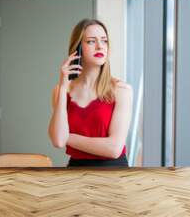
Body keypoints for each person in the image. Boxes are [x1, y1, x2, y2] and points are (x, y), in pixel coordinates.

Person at [48, 18, 133, 167]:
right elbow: (57, 141)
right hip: (75, 171)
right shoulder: (60, 91)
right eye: (91, 41)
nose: (100, 46)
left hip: (113, 172)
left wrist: (68, 136)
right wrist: (62, 86)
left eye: (104, 41)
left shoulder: (122, 90)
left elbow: (114, 149)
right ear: (77, 48)